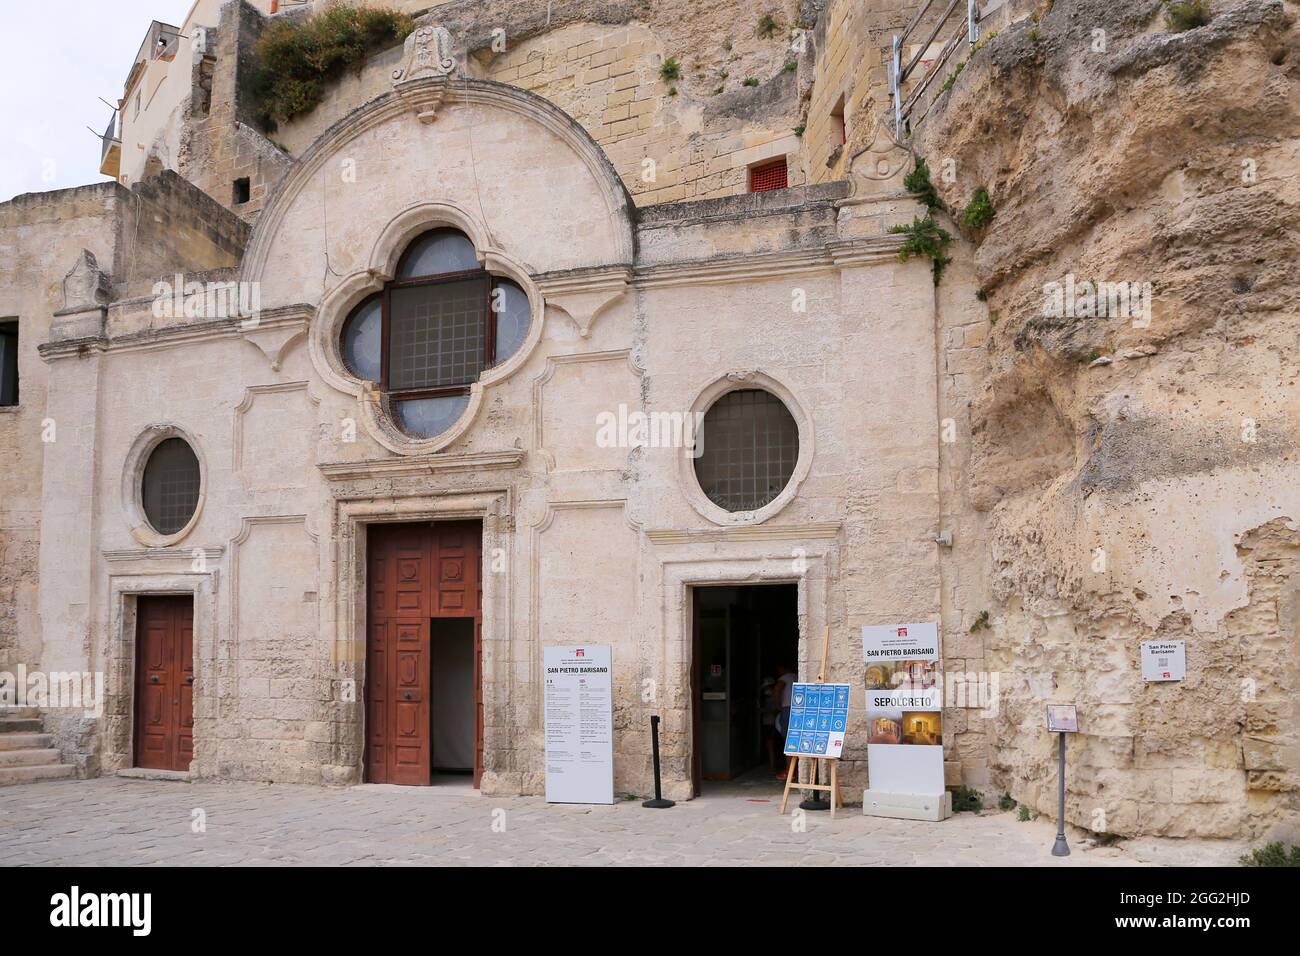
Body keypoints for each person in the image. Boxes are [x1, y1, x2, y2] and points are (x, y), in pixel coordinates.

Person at [773, 663, 795, 779]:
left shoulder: (784, 678)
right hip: (799, 709)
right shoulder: (796, 676)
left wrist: (778, 706)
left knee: (787, 740)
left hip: (787, 708)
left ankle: (789, 771)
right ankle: (797, 770)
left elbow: (777, 690)